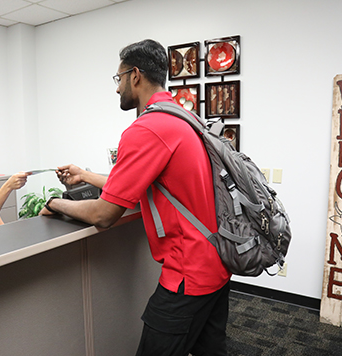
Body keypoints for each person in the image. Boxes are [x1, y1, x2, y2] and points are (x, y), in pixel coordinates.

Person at [41, 39, 231, 356]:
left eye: (119, 79)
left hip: (187, 274)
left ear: (135, 75)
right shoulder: (185, 119)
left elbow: (105, 214)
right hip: (217, 263)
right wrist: (85, 175)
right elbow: (146, 184)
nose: (117, 89)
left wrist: (55, 203)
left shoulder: (147, 129)